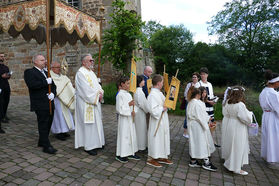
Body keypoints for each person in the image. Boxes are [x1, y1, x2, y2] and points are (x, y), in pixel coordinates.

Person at [24, 54, 57, 154]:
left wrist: (53, 94)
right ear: (35, 62)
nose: (45, 61)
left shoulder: (47, 72)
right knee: (43, 123)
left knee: (49, 122)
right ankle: (46, 146)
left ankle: (42, 141)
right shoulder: (29, 72)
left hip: (50, 102)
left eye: (45, 60)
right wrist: (45, 82)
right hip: (39, 103)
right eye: (42, 60)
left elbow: (54, 86)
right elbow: (32, 85)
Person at [75, 54, 105, 156]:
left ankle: (98, 143)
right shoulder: (80, 73)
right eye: (90, 60)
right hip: (86, 102)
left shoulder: (91, 72)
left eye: (92, 60)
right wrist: (97, 96)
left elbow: (97, 86)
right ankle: (89, 146)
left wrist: (101, 92)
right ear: (84, 62)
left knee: (96, 122)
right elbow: (85, 90)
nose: (92, 62)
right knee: (89, 124)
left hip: (94, 102)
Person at [222, 86, 252, 175]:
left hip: (229, 124)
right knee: (238, 146)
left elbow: (225, 113)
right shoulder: (240, 105)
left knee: (230, 143)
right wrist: (250, 114)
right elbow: (246, 118)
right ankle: (236, 168)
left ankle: (229, 160)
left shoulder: (227, 102)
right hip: (238, 126)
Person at [187, 87, 217, 171]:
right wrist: (207, 121)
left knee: (194, 142)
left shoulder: (191, 102)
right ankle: (206, 162)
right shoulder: (197, 103)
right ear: (198, 95)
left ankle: (193, 161)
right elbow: (200, 116)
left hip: (193, 125)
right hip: (198, 125)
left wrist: (207, 118)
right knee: (202, 142)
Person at [147, 74, 173, 168]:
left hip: (163, 119)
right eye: (162, 82)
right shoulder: (152, 95)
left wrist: (168, 104)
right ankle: (152, 158)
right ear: (158, 83)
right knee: (156, 138)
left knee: (162, 137)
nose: (163, 84)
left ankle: (161, 155)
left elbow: (164, 104)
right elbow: (152, 110)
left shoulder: (159, 93)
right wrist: (162, 108)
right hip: (156, 121)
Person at [115, 76, 140, 163]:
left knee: (131, 135)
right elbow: (119, 109)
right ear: (122, 84)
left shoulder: (129, 94)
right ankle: (121, 154)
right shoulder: (120, 95)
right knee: (124, 136)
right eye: (128, 83)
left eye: (129, 83)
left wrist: (134, 111)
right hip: (124, 120)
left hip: (130, 119)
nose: (129, 85)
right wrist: (128, 105)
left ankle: (130, 152)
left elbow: (133, 106)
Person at [50, 61, 75, 141]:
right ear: (52, 68)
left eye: (59, 67)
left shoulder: (62, 76)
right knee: (58, 116)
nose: (59, 69)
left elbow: (68, 85)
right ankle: (58, 132)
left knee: (65, 115)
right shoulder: (50, 76)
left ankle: (64, 131)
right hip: (57, 100)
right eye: (57, 67)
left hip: (65, 99)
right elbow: (56, 88)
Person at [259, 70, 279, 166]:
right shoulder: (273, 94)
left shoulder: (264, 91)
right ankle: (272, 158)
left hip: (266, 115)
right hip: (272, 116)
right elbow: (277, 108)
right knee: (273, 136)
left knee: (267, 135)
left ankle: (268, 155)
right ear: (275, 82)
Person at [199, 67, 220, 147]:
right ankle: (204, 142)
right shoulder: (199, 84)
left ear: (207, 75)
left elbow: (211, 95)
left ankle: (212, 141)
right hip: (203, 106)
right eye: (201, 74)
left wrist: (214, 101)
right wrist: (208, 101)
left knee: (211, 123)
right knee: (204, 123)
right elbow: (198, 97)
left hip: (210, 107)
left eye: (204, 74)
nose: (202, 76)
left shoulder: (210, 84)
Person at [182, 72, 200, 138]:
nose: (194, 78)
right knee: (187, 116)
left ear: (198, 78)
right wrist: (189, 99)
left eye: (195, 77)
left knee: (195, 116)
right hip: (189, 102)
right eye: (193, 77)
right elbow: (185, 94)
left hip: (197, 103)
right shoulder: (189, 84)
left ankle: (193, 131)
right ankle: (185, 131)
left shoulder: (199, 85)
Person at [134, 75, 149, 152]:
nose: (145, 81)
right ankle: (141, 146)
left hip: (140, 112)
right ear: (140, 82)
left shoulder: (139, 90)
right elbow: (142, 104)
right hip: (140, 113)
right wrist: (148, 110)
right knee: (140, 129)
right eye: (143, 80)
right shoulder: (139, 92)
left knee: (141, 129)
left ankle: (141, 145)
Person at [0, 53, 11, 123]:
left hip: (6, 86)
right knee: (1, 102)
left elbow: (8, 75)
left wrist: (8, 76)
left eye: (3, 56)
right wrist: (1, 76)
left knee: (6, 101)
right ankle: (1, 117)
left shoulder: (6, 67)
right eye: (1, 56)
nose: (2, 57)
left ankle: (4, 114)